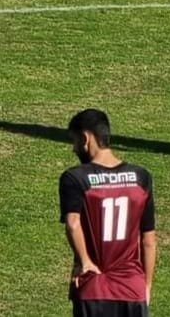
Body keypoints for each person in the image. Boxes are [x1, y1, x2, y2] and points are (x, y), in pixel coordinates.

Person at [59, 109, 156, 317]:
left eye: (75, 141)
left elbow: (73, 223)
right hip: (132, 288)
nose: (74, 148)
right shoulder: (141, 177)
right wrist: (146, 286)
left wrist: (85, 261)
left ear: (86, 138)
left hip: (94, 287)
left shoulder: (75, 178)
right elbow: (148, 240)